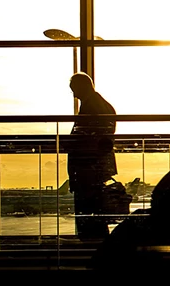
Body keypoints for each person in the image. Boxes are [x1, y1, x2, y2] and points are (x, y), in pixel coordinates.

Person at [67, 72, 119, 241]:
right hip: (93, 167)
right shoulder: (101, 105)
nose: (74, 94)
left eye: (74, 89)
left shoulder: (93, 107)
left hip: (88, 168)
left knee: (88, 212)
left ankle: (92, 246)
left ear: (83, 86)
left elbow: (95, 138)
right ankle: (96, 245)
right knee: (95, 212)